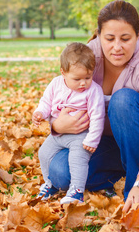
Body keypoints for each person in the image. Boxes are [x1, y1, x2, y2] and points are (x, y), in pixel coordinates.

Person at [40, 0, 139, 211]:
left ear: (137, 35)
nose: (117, 47)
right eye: (109, 39)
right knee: (60, 173)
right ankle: (121, 171)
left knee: (124, 100)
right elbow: (60, 97)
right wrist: (56, 126)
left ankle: (137, 186)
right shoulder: (87, 57)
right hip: (105, 141)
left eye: (125, 39)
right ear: (99, 35)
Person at [33, 42, 105, 204]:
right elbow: (46, 102)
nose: (83, 83)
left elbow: (97, 116)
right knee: (44, 153)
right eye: (77, 79)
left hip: (80, 136)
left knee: (78, 158)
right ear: (63, 73)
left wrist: (92, 140)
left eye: (88, 77)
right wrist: (39, 113)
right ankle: (49, 184)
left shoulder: (93, 91)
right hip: (58, 133)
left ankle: (76, 191)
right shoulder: (55, 84)